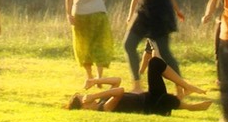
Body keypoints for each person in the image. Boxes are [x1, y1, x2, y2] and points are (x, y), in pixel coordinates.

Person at [67, 45, 211, 115]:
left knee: (154, 62)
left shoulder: (101, 101)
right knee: (162, 100)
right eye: (83, 98)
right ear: (84, 106)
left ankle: (186, 87)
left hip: (149, 96)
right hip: (150, 105)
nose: (86, 96)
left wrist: (95, 81)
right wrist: (95, 95)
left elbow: (117, 81)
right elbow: (119, 91)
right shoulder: (103, 108)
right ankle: (189, 106)